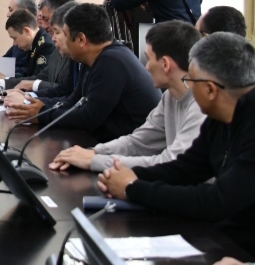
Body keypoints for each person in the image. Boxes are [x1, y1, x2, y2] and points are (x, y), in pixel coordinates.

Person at [97, 32, 255, 255]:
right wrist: (129, 175)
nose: (187, 86)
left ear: (210, 89)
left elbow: (217, 201)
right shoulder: (218, 117)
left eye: (191, 80)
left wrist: (133, 187)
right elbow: (185, 169)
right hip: (227, 236)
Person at [50, 21, 205, 172]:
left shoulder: (201, 107)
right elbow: (139, 141)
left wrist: (94, 161)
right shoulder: (170, 96)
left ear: (165, 64)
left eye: (149, 59)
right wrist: (93, 152)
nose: (146, 66)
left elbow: (172, 162)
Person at [6, 3, 162, 142]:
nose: (58, 40)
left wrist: (42, 114)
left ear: (81, 39)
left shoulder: (112, 61)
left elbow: (89, 117)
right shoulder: (93, 57)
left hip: (134, 150)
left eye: (65, 35)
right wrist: (39, 107)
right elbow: (74, 100)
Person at [0, 10, 55, 92]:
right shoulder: (34, 43)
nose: (15, 43)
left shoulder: (45, 46)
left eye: (15, 38)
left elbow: (38, 80)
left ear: (27, 31)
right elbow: (26, 75)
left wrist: (5, 80)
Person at [13, 0, 74, 92]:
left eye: (46, 19)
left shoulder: (76, 55)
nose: (43, 25)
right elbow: (42, 77)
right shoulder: (56, 52)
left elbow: (67, 91)